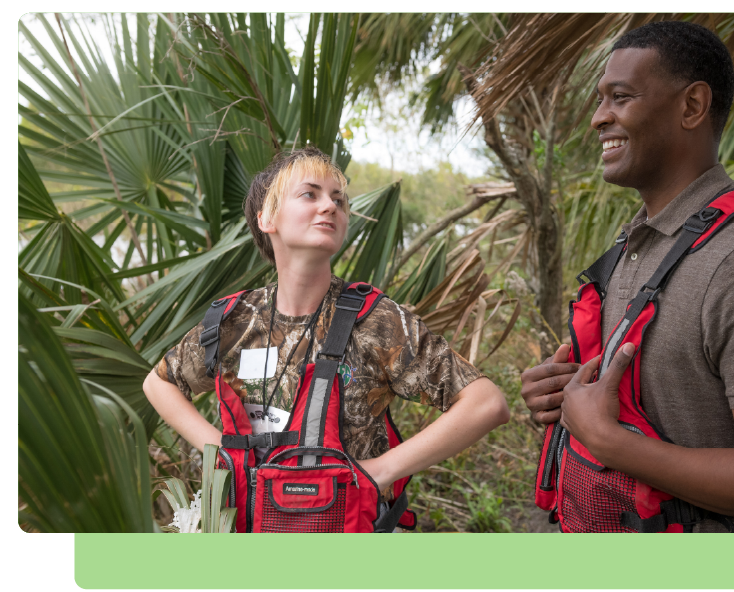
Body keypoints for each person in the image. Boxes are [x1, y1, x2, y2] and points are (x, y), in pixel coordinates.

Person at [520, 21, 734, 532]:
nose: (599, 118)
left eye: (619, 97)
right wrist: (565, 395)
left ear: (692, 106)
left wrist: (609, 442)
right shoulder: (639, 242)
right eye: (601, 100)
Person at [144, 146, 510, 532]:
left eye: (339, 200)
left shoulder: (375, 320)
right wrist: (220, 450)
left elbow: (486, 404)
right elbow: (158, 382)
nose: (330, 206)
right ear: (267, 218)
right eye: (310, 194)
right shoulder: (234, 321)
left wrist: (382, 470)